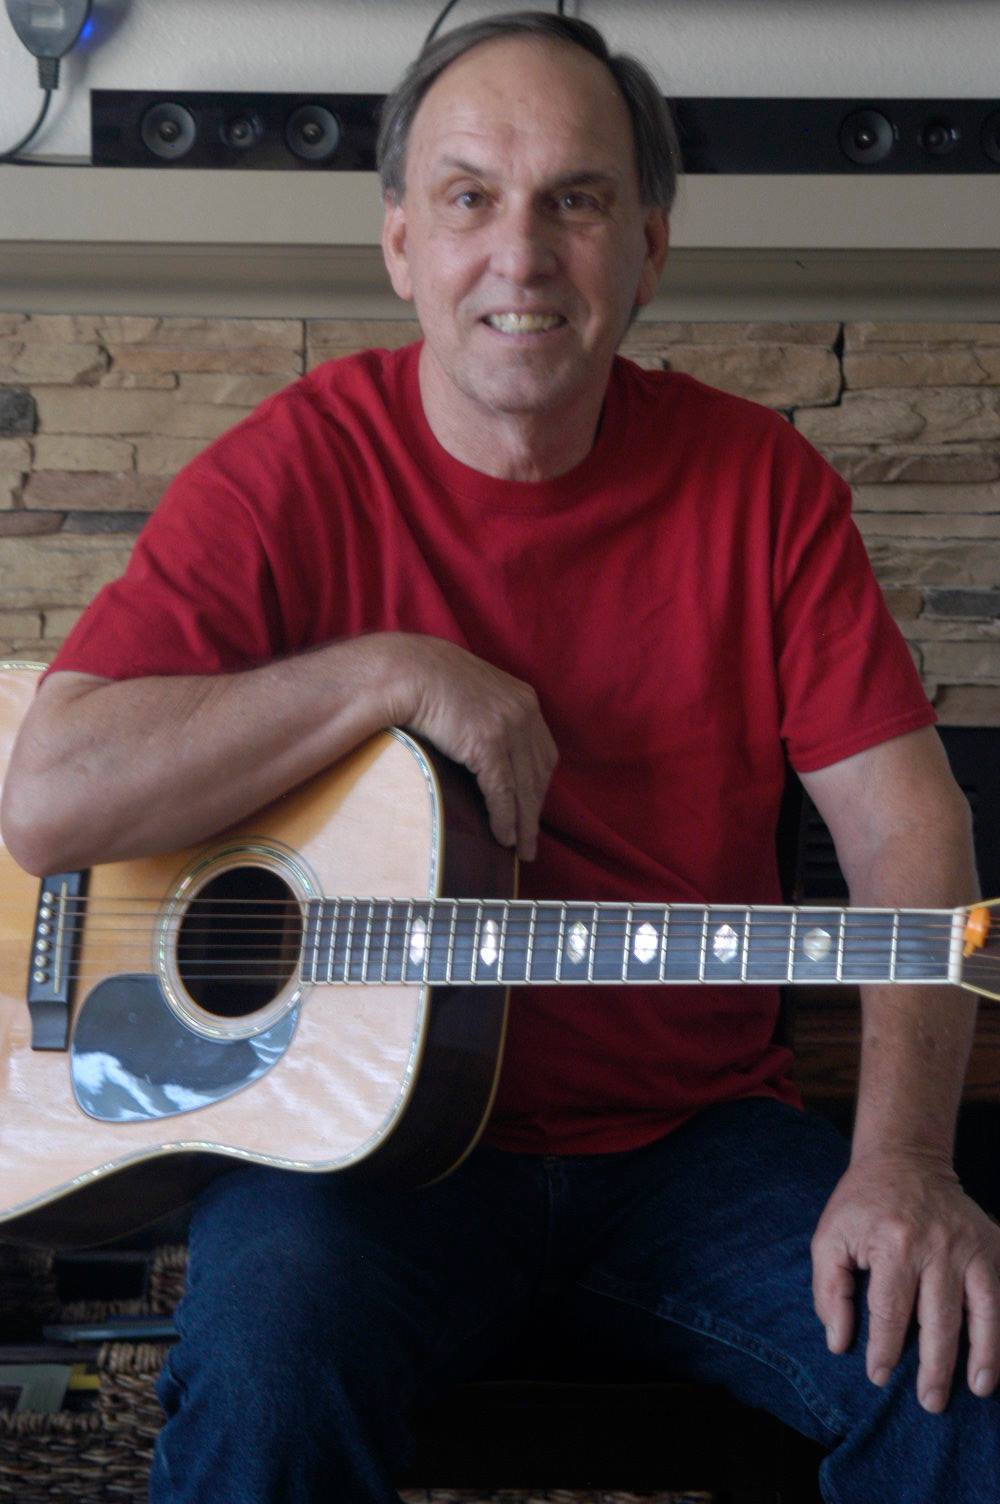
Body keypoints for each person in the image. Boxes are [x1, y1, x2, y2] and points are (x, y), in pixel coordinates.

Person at [3, 12, 999, 1502]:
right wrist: (389, 673)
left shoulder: (765, 488)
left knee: (959, 1365)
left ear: (647, 250)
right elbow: (50, 795)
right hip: (355, 1164)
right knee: (265, 1370)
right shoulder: (291, 472)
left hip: (698, 1151)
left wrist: (907, 1163)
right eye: (470, 197)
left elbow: (913, 841)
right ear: (402, 242)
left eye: (575, 200)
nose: (520, 256)